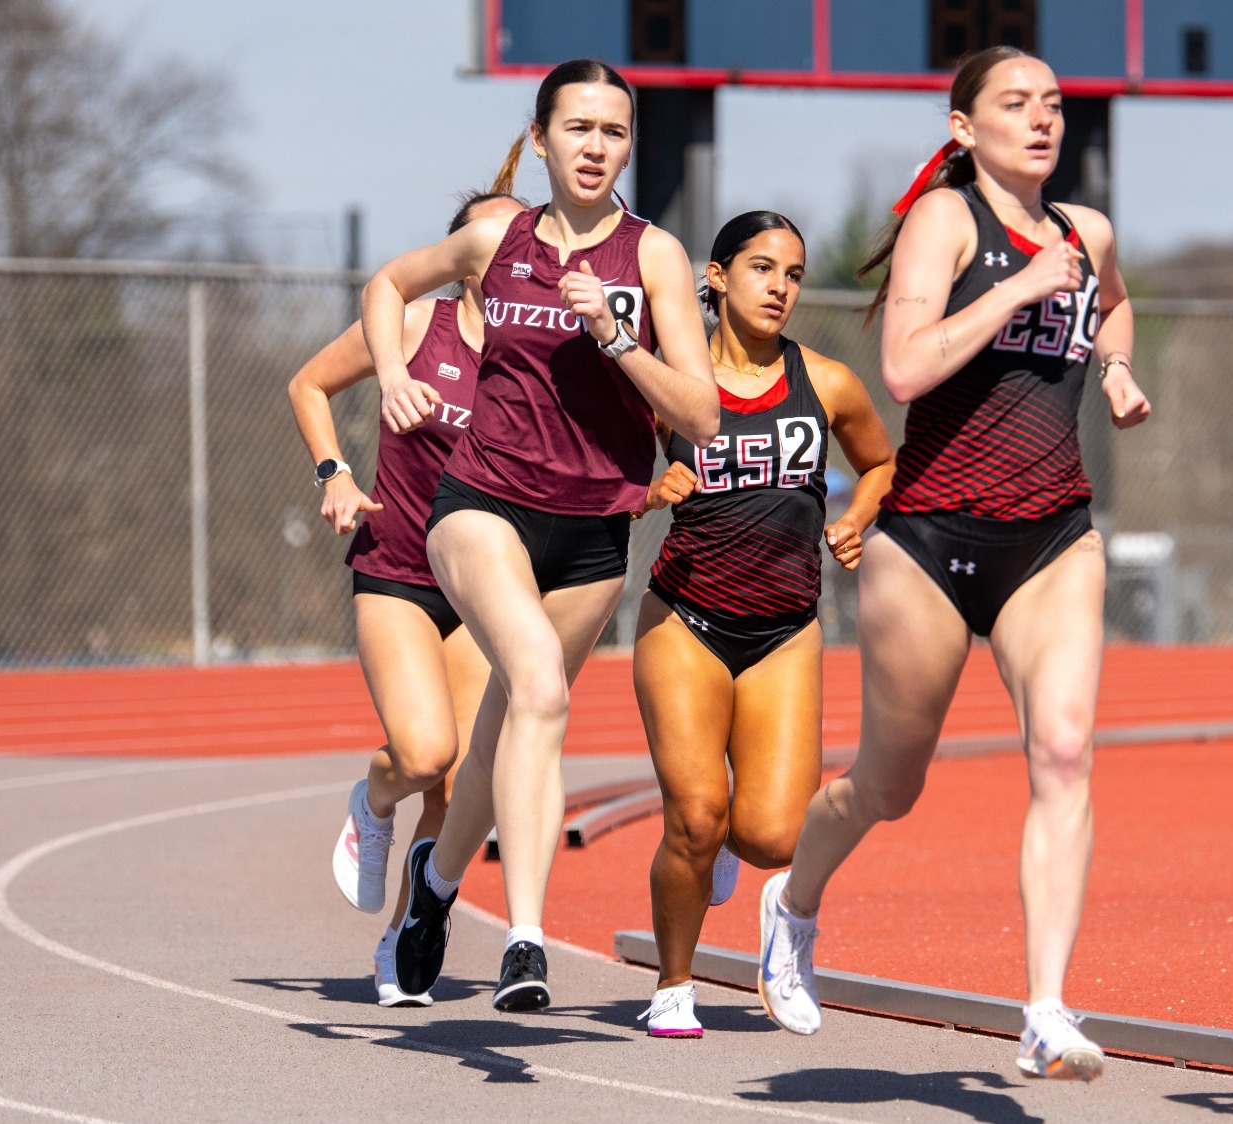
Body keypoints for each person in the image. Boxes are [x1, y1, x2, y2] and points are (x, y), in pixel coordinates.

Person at [754, 46, 1150, 1082]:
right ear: (964, 126)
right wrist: (1018, 287)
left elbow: (1110, 300)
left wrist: (1113, 366)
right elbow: (902, 366)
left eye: (1053, 105)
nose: (1040, 119)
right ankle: (792, 900)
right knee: (889, 782)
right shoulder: (947, 220)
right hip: (927, 538)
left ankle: (1045, 1008)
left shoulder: (1083, 232)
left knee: (1063, 752)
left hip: (1052, 534)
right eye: (1014, 104)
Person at [364, 58, 718, 1013]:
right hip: (481, 502)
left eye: (614, 132)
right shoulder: (494, 237)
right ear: (544, 135)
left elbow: (703, 415)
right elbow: (387, 284)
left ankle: (432, 892)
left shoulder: (654, 257)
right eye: (580, 129)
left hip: (597, 527)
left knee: (504, 732)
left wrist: (618, 339)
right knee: (542, 687)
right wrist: (394, 371)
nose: (597, 147)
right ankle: (525, 939)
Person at [632, 210, 894, 1039]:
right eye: (760, 267)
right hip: (686, 617)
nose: (780, 286)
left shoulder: (827, 382)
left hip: (786, 626)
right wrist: (647, 492)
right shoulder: (672, 385)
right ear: (714, 278)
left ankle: (772, 909)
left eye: (792, 272)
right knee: (698, 816)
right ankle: (675, 985)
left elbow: (882, 462)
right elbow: (595, 475)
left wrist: (861, 518)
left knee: (775, 837)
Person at [287, 178, 523, 1006]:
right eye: (488, 241)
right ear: (459, 259)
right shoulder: (417, 324)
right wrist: (336, 472)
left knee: (463, 789)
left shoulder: (543, 353)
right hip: (398, 566)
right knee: (424, 755)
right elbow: (308, 385)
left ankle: (404, 935)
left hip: (484, 581)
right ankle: (374, 800)